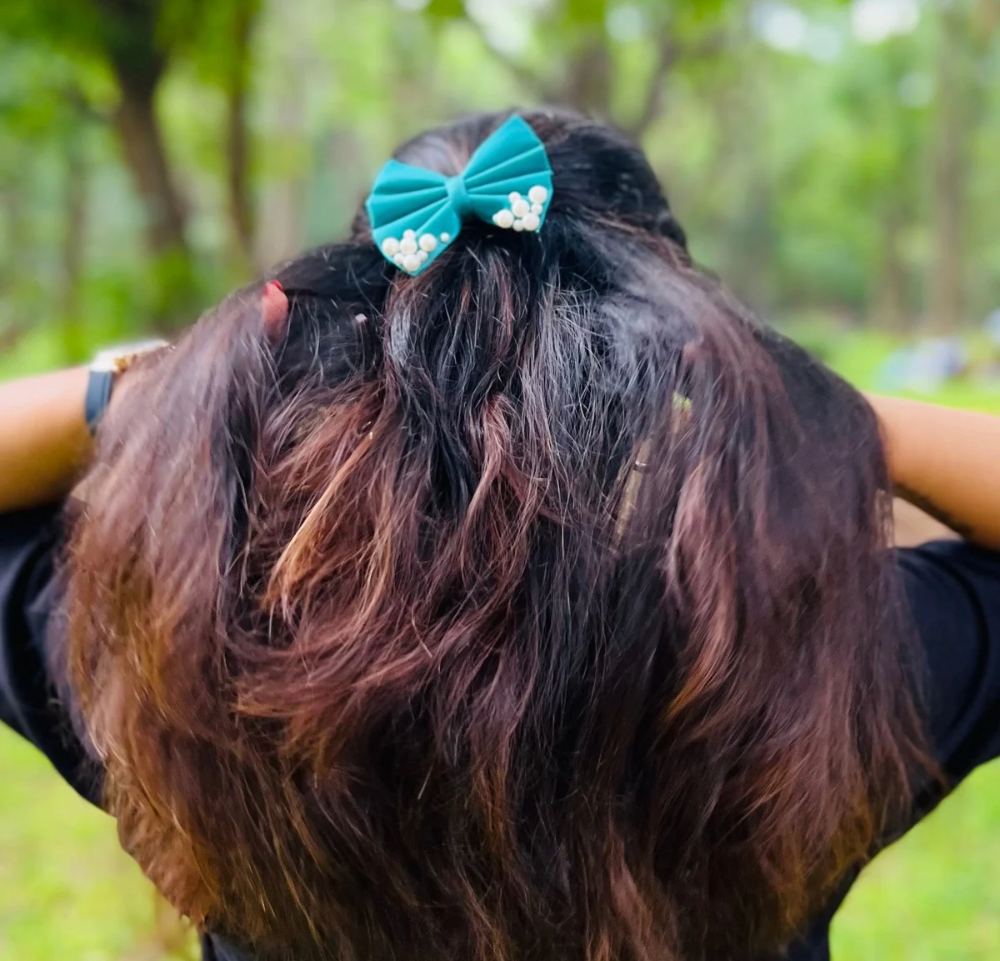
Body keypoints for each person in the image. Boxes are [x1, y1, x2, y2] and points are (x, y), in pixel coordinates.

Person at [1, 110, 999, 961]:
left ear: (359, 346)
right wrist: (834, 412)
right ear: (671, 346)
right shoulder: (803, 657)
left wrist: (136, 389)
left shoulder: (183, 644)